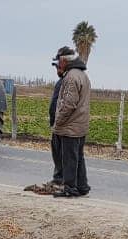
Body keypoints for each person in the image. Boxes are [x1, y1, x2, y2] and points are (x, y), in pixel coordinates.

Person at [51, 49, 91, 198]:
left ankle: (70, 188)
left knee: (69, 159)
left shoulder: (70, 77)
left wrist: (58, 122)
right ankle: (82, 186)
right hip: (80, 125)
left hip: (70, 126)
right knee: (78, 157)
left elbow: (68, 104)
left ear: (64, 60)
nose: (58, 64)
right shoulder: (83, 76)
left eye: (59, 60)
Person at [47, 46, 75, 187]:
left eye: (58, 64)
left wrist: (55, 122)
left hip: (63, 125)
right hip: (70, 126)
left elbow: (57, 105)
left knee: (61, 154)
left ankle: (61, 180)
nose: (56, 68)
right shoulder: (75, 78)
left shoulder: (65, 81)